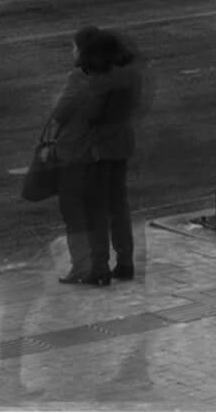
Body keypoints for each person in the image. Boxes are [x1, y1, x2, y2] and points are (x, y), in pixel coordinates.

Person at [48, 27, 123, 285]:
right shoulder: (113, 78)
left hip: (75, 154)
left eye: (74, 46)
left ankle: (82, 266)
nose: (72, 51)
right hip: (102, 154)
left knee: (74, 214)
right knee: (97, 212)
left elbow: (59, 112)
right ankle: (101, 267)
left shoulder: (78, 78)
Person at [88, 28, 145, 281]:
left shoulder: (103, 80)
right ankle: (125, 261)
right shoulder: (131, 74)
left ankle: (99, 265)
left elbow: (90, 113)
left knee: (97, 207)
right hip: (123, 142)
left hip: (100, 147)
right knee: (119, 205)